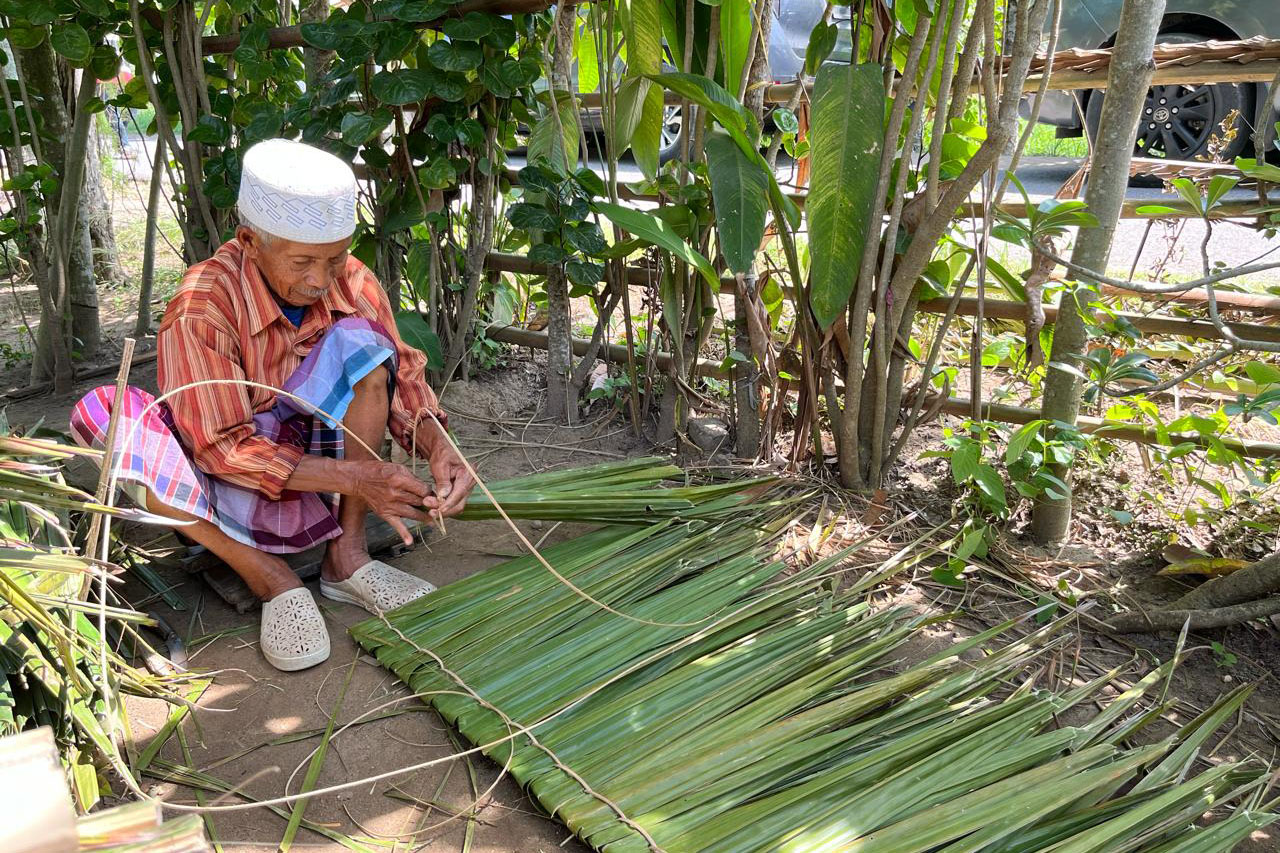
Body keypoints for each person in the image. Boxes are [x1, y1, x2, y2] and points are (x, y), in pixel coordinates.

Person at [71, 139, 475, 672]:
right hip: (226, 476)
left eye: (334, 258)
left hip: (316, 461)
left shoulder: (350, 278)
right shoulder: (202, 306)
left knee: (363, 344)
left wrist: (438, 444)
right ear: (249, 241)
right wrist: (358, 478)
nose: (320, 279)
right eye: (303, 261)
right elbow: (221, 449)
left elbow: (400, 374)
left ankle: (345, 559)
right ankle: (271, 578)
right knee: (111, 415)